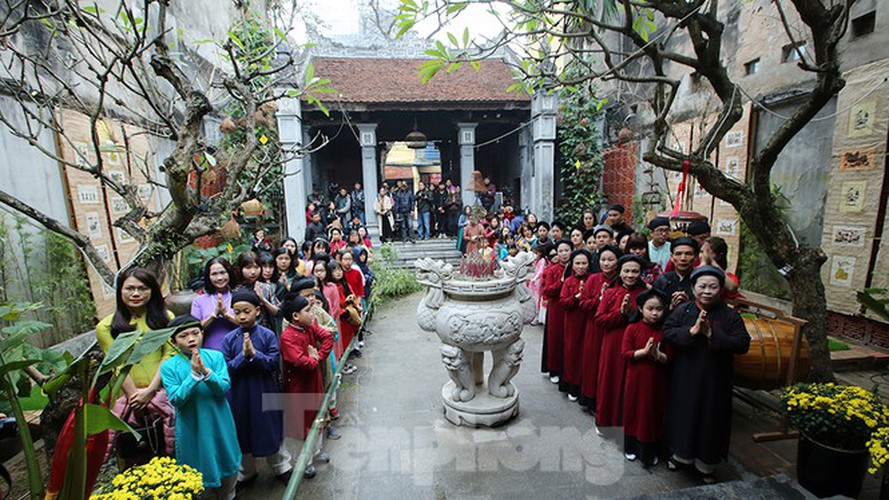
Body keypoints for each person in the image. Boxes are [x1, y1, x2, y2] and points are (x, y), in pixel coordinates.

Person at [663, 266, 750, 481]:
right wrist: (691, 332)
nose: (707, 291)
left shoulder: (730, 316)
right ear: (693, 288)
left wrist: (712, 335)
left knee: (711, 419)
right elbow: (667, 331)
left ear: (721, 289)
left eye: (713, 286)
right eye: (702, 286)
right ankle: (680, 456)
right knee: (684, 415)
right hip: (685, 375)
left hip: (716, 379)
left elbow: (743, 344)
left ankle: (706, 465)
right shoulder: (683, 311)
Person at [96, 268, 175, 462]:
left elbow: (170, 354)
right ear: (120, 291)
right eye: (129, 288)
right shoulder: (106, 327)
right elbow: (117, 364)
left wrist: (150, 390)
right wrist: (135, 397)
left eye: (142, 288)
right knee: (136, 452)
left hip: (164, 392)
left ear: (152, 291)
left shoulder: (166, 318)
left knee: (170, 447)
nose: (136, 294)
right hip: (129, 398)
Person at [161, 315, 241, 498]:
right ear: (173, 340)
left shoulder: (215, 356)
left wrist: (206, 373)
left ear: (202, 334)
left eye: (195, 333)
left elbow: (223, 387)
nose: (191, 339)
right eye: (183, 336)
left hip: (219, 420)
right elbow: (176, 399)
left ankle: (229, 494)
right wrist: (193, 377)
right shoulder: (168, 367)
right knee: (197, 470)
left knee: (227, 460)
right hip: (192, 426)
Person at [221, 291, 292, 487]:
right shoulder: (229, 339)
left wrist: (255, 355)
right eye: (237, 312)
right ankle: (247, 472)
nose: (242, 316)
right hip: (240, 395)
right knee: (242, 432)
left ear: (257, 311)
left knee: (270, 429)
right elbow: (226, 370)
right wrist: (243, 357)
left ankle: (281, 467)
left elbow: (273, 363)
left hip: (265, 390)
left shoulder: (267, 335)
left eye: (246, 311)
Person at [279, 296, 334, 479]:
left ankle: (316, 451)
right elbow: (302, 363)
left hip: (314, 382)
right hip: (298, 388)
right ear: (295, 315)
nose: (312, 314)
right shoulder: (287, 337)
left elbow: (328, 336)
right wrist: (314, 360)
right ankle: (303, 461)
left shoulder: (309, 327)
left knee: (316, 416)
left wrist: (317, 355)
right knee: (300, 423)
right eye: (308, 311)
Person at [595, 255, 647, 432]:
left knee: (632, 386)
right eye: (626, 271)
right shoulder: (610, 292)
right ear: (620, 272)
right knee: (609, 380)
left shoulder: (644, 295)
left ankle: (629, 426)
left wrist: (633, 313)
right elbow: (600, 319)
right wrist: (620, 314)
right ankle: (604, 421)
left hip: (637, 345)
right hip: (613, 343)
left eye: (635, 271)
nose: (630, 275)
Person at [622, 289, 671, 466]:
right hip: (636, 378)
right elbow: (626, 353)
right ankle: (630, 448)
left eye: (659, 309)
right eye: (650, 308)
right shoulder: (632, 328)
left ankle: (650, 451)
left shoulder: (666, 331)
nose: (655, 313)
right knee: (634, 410)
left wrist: (657, 355)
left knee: (652, 413)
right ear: (641, 309)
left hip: (657, 380)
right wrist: (643, 352)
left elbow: (670, 358)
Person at [578, 244, 621, 411]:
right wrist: (599, 299)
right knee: (592, 363)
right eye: (603, 259)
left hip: (614, 329)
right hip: (594, 327)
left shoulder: (621, 279)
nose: (606, 263)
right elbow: (583, 303)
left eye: (610, 260)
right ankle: (590, 399)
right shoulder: (593, 279)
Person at [558, 249, 593, 400]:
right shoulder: (568, 281)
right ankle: (572, 385)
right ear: (572, 265)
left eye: (584, 263)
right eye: (577, 263)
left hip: (589, 321)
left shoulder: (593, 279)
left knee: (587, 354)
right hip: (572, 323)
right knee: (572, 353)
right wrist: (576, 297)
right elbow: (563, 302)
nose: (580, 266)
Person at [541, 240, 573, 384]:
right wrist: (561, 281)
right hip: (556, 308)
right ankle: (554, 369)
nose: (564, 254)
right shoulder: (553, 269)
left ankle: (567, 370)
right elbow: (547, 290)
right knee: (555, 338)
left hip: (571, 308)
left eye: (567, 250)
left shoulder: (576, 267)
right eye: (561, 251)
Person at [191, 257, 238, 352]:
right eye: (214, 274)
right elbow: (193, 329)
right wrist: (214, 315)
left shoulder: (239, 296)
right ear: (208, 276)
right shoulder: (199, 301)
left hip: (237, 351)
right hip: (209, 352)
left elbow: (248, 324)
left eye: (223, 272)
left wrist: (226, 315)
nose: (219, 278)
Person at [233, 251, 280, 333]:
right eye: (248, 268)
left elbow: (277, 312)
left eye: (256, 267)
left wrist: (263, 300)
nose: (253, 272)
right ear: (240, 269)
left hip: (264, 332)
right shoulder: (235, 290)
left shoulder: (266, 288)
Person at [653, 237, 699, 311]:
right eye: (678, 254)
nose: (683, 258)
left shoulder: (700, 280)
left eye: (688, 254)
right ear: (671, 257)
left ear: (695, 257)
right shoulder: (662, 280)